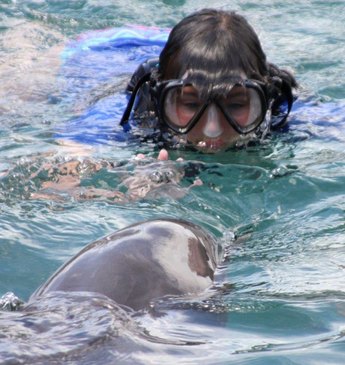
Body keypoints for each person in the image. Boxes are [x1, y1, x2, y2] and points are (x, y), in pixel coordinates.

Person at [120, 8, 298, 154]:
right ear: (161, 101)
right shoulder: (135, 121)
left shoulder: (284, 112)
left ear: (265, 99)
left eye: (235, 104)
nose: (212, 130)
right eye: (191, 104)